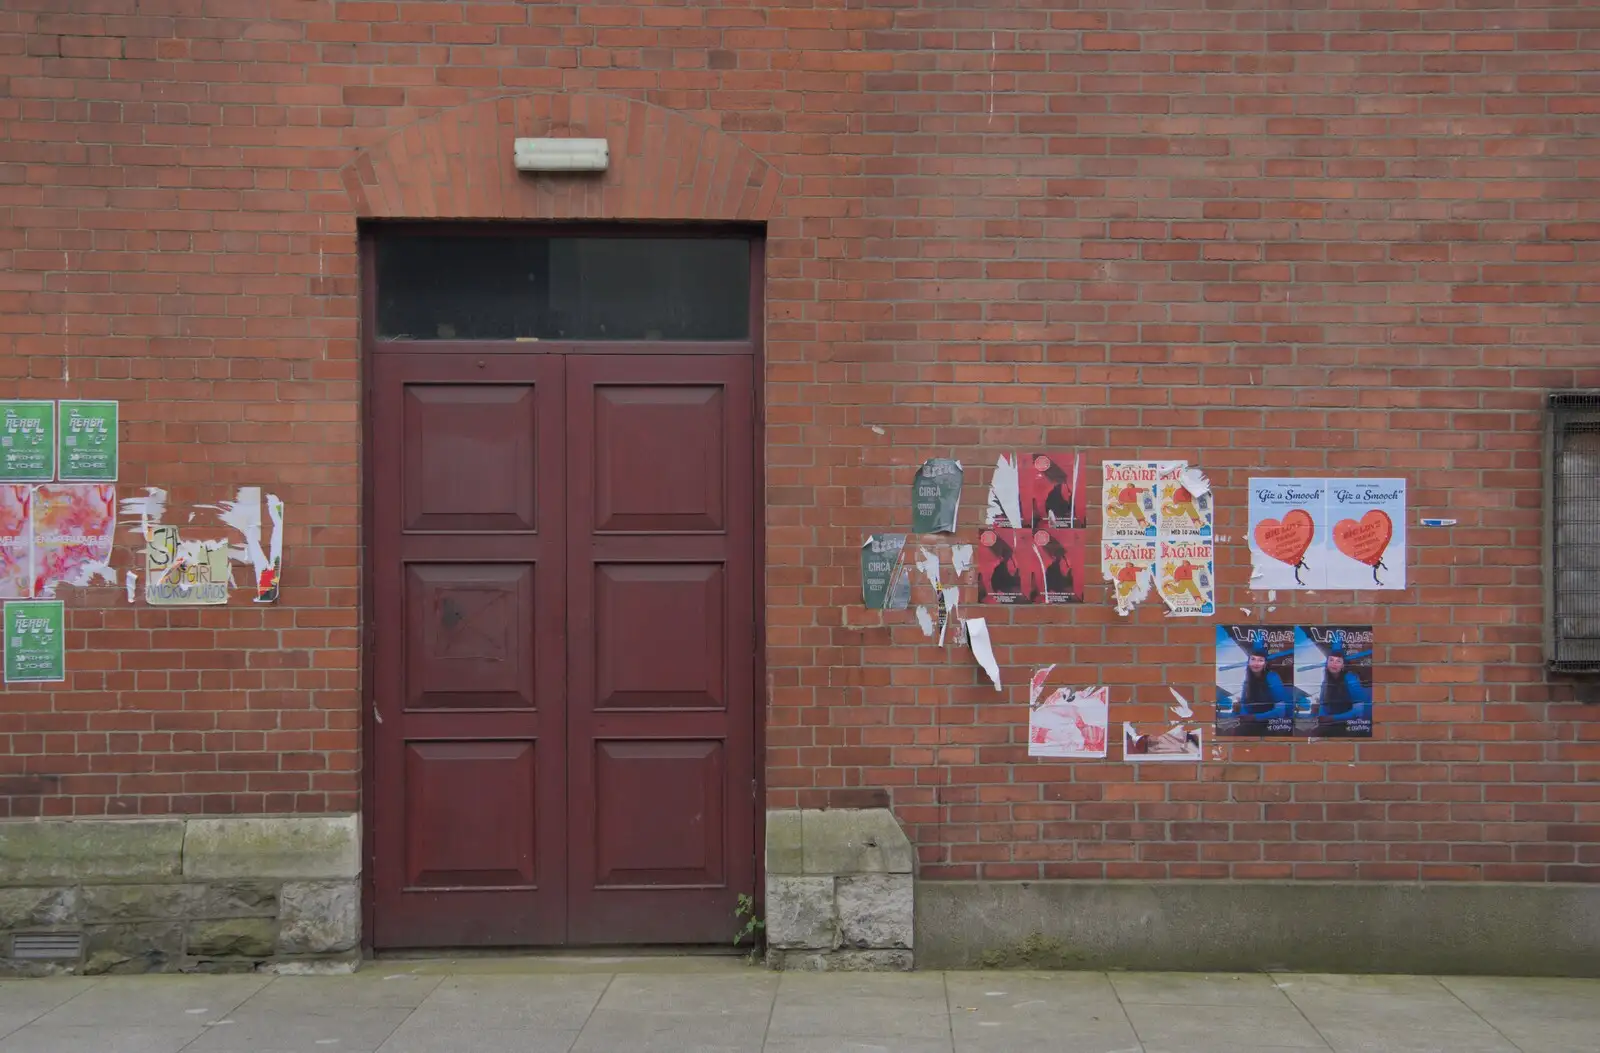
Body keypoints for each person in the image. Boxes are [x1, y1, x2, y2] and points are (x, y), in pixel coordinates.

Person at [1236, 632, 1293, 734]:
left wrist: (1254, 718)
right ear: (1248, 662)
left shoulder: (1272, 677)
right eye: (1253, 659)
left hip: (1272, 724)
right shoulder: (1247, 680)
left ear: (1265, 663)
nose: (1256, 663)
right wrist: (1243, 718)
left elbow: (1281, 711)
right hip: (1253, 724)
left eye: (1260, 660)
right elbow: (1244, 706)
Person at [1315, 637, 1372, 735]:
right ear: (1327, 664)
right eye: (1331, 660)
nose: (1334, 664)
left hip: (1350, 727)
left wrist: (1332, 718)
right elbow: (1322, 707)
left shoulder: (1351, 679)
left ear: (1343, 665)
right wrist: (1321, 719)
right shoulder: (1325, 683)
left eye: (1338, 661)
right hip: (1331, 726)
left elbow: (1359, 711)